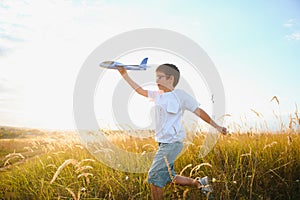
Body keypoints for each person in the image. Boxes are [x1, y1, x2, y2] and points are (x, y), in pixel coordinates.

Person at [118, 63, 227, 200]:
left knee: (153, 176)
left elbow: (199, 112)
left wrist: (217, 126)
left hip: (172, 143)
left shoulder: (180, 95)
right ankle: (199, 182)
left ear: (171, 79)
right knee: (169, 176)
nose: (156, 81)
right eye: (156, 77)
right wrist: (124, 74)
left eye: (160, 77)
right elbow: (140, 90)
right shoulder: (158, 95)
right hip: (163, 144)